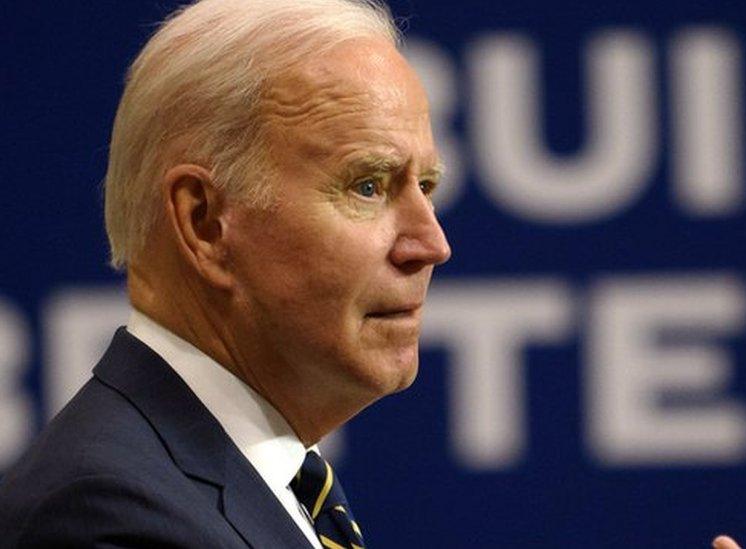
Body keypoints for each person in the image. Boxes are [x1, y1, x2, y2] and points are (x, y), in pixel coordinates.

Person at [0, 0, 450, 546]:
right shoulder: (107, 515)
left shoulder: (272, 485)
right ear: (205, 222)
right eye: (368, 186)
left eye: (425, 187)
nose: (431, 245)